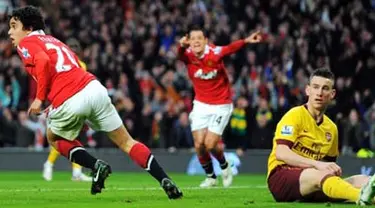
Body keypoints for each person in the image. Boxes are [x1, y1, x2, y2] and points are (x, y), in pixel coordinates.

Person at [8, 6, 182, 199]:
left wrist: (40, 99)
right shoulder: (56, 42)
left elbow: (42, 62)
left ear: (29, 28)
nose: (10, 32)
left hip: (71, 97)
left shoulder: (27, 43)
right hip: (93, 88)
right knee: (126, 141)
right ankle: (164, 179)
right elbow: (68, 69)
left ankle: (95, 165)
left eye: (14, 26)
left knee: (54, 138)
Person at [267, 67, 375, 205]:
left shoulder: (332, 129)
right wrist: (316, 164)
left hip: (313, 181)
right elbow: (281, 153)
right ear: (308, 90)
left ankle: (368, 195)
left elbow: (328, 165)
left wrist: (327, 169)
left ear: (332, 94)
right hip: (282, 177)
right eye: (315, 87)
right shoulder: (294, 116)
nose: (319, 93)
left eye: (325, 88)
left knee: (363, 179)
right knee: (322, 175)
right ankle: (360, 196)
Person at [177, 25, 263, 187]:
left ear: (205, 41)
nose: (196, 42)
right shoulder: (187, 55)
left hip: (221, 104)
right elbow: (179, 55)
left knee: (210, 144)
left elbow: (230, 48)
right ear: (188, 41)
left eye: (199, 38)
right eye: (192, 39)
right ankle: (211, 177)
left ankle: (225, 166)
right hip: (201, 104)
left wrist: (246, 41)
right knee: (199, 144)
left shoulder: (214, 53)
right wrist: (181, 46)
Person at [42, 38, 93, 182]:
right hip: (63, 104)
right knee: (64, 137)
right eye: (72, 47)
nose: (74, 49)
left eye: (76, 47)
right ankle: (50, 164)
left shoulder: (80, 65)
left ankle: (75, 171)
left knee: (72, 138)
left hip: (73, 105)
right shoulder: (66, 65)